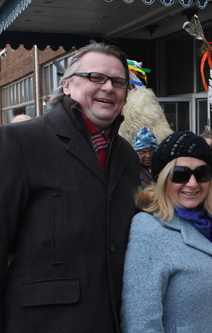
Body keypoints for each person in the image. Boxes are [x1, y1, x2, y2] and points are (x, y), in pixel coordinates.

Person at [0, 43, 140, 333]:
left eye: (118, 82)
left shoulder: (127, 155)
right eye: (96, 77)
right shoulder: (21, 141)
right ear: (66, 86)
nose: (108, 88)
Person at [121, 131, 212, 332]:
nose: (192, 183)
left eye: (201, 174)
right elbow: (141, 323)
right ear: (163, 179)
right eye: (180, 174)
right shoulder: (149, 228)